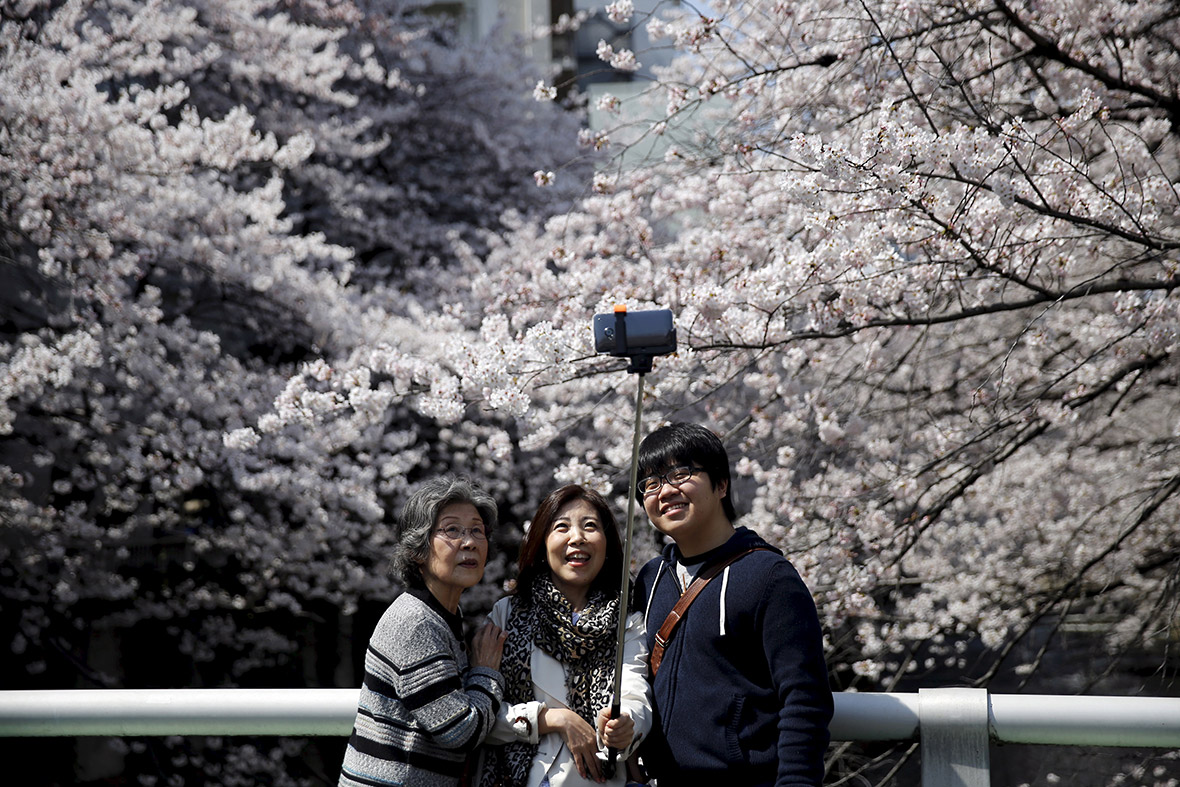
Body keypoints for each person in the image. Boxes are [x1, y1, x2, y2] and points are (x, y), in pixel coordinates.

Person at [631, 423, 833, 786]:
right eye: (651, 483)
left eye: (681, 473)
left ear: (722, 484)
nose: (665, 491)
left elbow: (804, 699)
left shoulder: (768, 576)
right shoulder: (650, 579)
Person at [340, 475, 508, 787]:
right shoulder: (416, 624)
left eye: (476, 530)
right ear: (418, 549)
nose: (469, 542)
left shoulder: (441, 615)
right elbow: (460, 731)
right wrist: (486, 672)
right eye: (452, 530)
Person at [479, 484, 652, 787]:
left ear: (608, 544)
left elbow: (635, 692)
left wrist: (625, 723)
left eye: (590, 527)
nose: (577, 538)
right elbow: (482, 712)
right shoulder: (506, 615)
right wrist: (554, 719)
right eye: (561, 527)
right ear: (542, 544)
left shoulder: (627, 623)